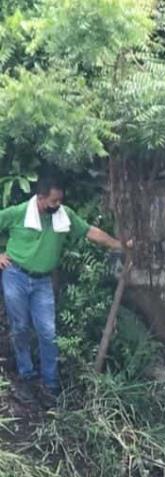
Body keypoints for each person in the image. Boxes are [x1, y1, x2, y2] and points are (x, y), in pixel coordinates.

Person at [0, 169, 129, 407]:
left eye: (60, 200)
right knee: (20, 327)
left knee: (48, 332)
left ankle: (50, 386)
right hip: (15, 275)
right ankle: (27, 377)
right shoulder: (18, 213)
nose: (57, 205)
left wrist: (117, 245)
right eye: (53, 201)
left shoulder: (64, 214)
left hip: (42, 282)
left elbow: (90, 231)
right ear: (40, 198)